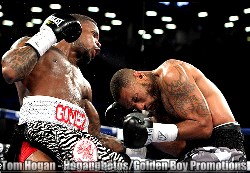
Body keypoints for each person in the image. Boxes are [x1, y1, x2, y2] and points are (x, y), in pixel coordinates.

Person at [1, 13, 129, 172]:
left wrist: (124, 145)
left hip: (74, 144)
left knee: (121, 163)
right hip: (39, 136)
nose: (99, 43)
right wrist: (48, 35)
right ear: (76, 29)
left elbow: (92, 135)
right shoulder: (38, 50)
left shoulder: (85, 85)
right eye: (94, 35)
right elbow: (10, 71)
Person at [108, 59, 246, 162]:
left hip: (225, 146)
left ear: (139, 76)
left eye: (136, 98)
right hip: (194, 152)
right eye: (132, 106)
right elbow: (179, 146)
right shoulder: (153, 105)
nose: (139, 107)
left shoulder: (171, 75)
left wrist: (153, 131)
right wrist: (137, 137)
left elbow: (204, 127)